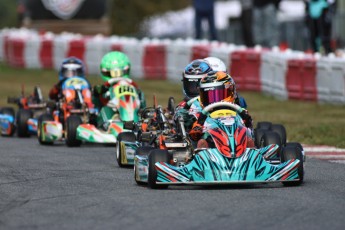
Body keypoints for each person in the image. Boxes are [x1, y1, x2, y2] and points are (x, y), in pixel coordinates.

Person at [188, 71, 254, 149]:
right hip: (212, 147)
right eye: (209, 96)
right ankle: (202, 154)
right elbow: (194, 134)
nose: (215, 100)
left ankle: (250, 153)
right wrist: (197, 129)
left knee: (248, 138)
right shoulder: (203, 116)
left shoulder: (240, 111)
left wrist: (247, 120)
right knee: (201, 142)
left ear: (231, 91)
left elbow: (249, 125)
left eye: (218, 95)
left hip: (239, 139)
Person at [92, 51, 145, 130]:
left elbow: (143, 105)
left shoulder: (134, 88)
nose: (117, 76)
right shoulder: (105, 89)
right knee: (105, 109)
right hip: (112, 115)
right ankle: (108, 125)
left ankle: (138, 123)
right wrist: (99, 93)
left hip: (134, 115)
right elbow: (95, 104)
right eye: (112, 73)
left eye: (120, 72)